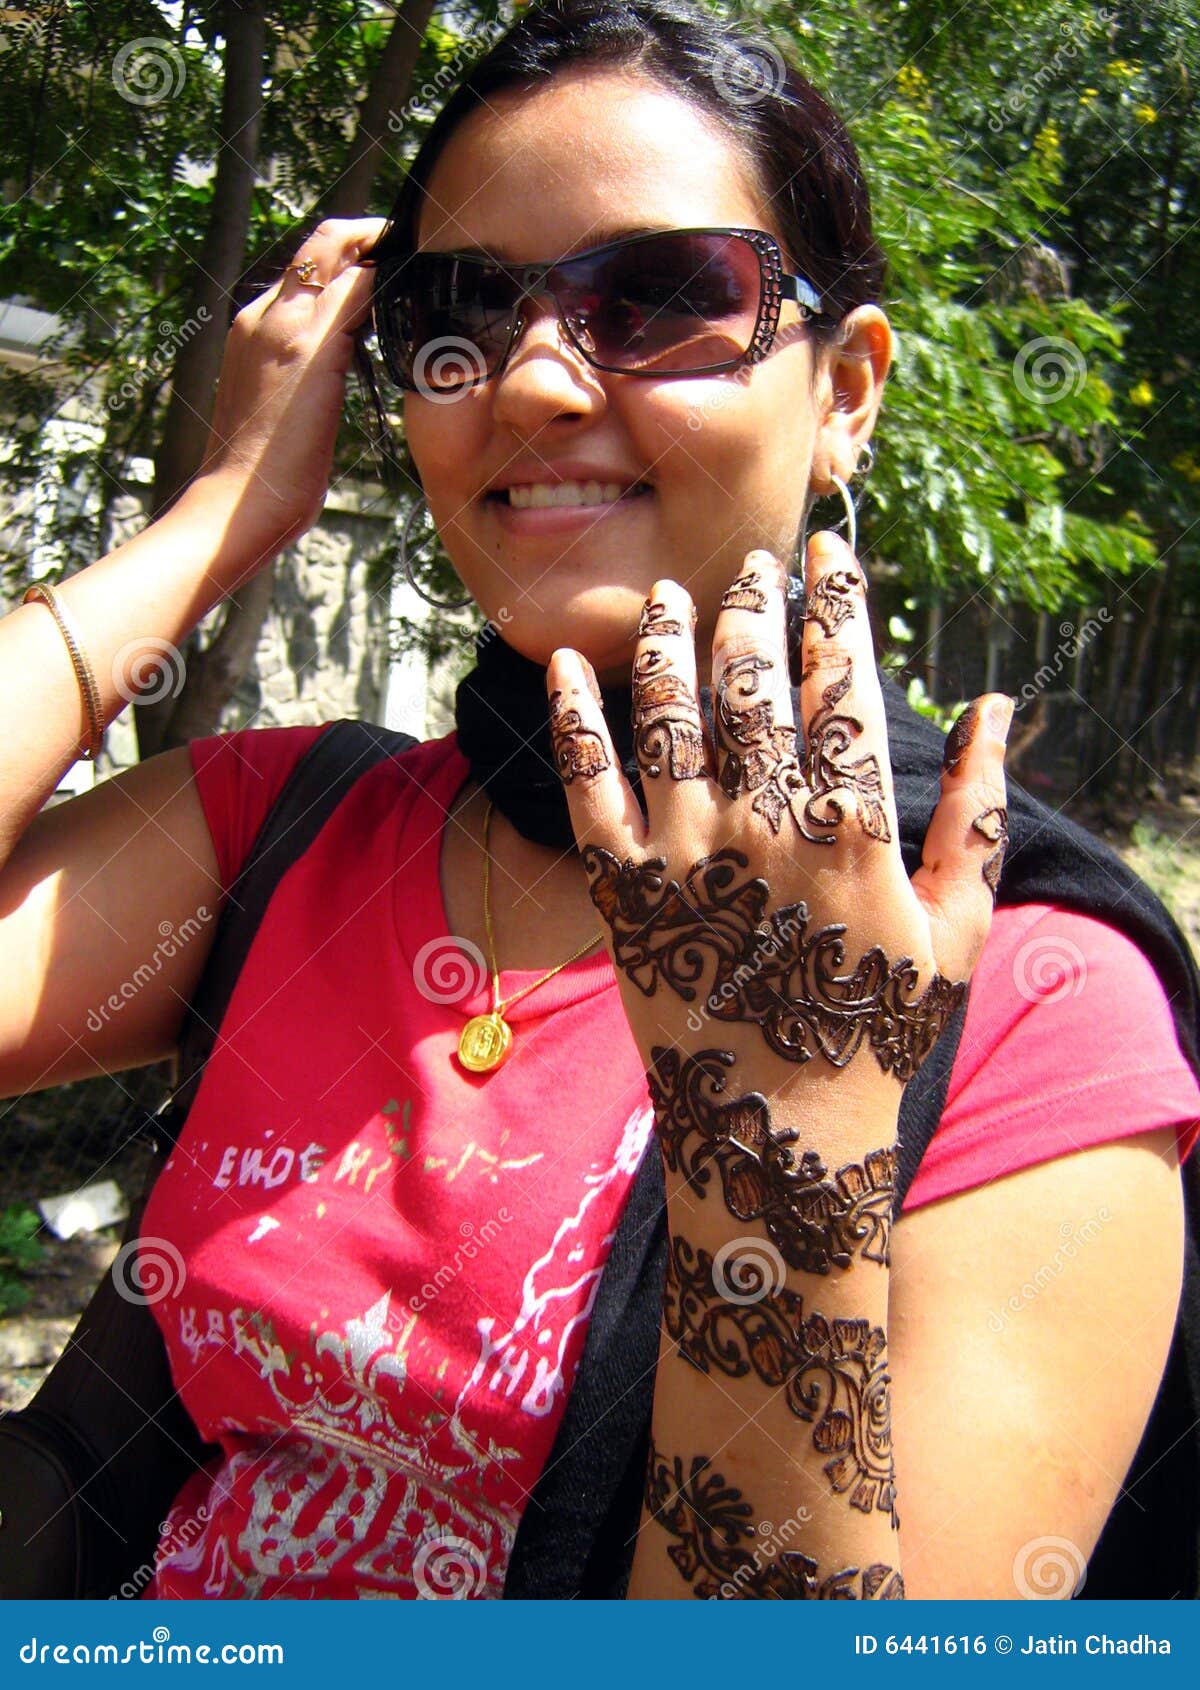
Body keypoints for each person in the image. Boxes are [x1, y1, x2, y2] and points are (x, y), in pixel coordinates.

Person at [0, 0, 1196, 1602]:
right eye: (460, 311)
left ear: (845, 389)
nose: (538, 383)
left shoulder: (1019, 991)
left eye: (660, 296)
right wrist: (220, 515)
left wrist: (785, 1164)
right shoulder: (290, 831)